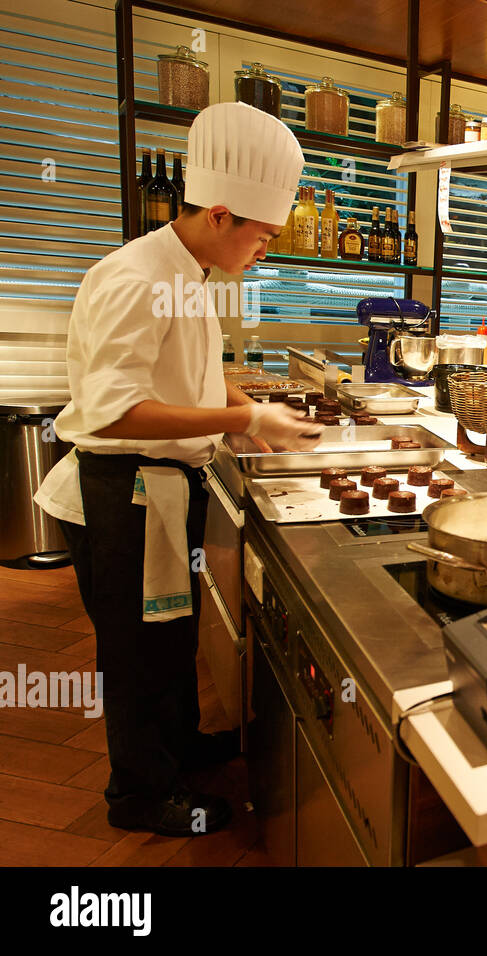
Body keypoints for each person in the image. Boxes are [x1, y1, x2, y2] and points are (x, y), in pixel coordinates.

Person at [33, 102, 322, 837]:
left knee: (169, 637)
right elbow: (114, 413)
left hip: (162, 489)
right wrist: (243, 421)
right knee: (134, 651)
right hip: (123, 492)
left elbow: (199, 369)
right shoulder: (134, 277)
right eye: (262, 233)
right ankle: (138, 795)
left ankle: (178, 748)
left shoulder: (188, 272)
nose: (267, 248)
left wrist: (249, 404)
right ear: (221, 214)